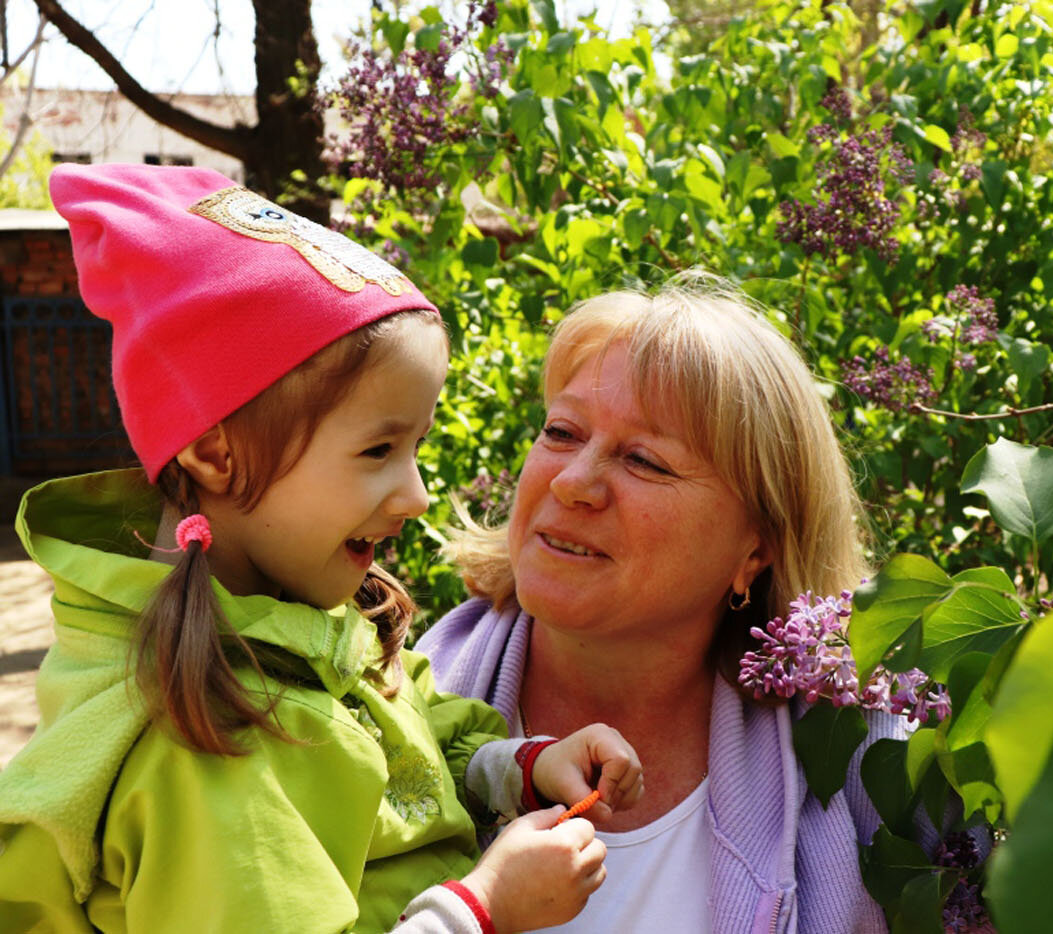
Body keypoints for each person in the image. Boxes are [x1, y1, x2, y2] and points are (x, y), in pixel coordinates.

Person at [0, 163, 642, 934]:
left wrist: (517, 767)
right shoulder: (207, 753)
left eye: (416, 448)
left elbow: (404, 746)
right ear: (215, 453)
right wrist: (483, 908)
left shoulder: (284, 619)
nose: (417, 496)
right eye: (378, 450)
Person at [418, 275, 911, 933]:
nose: (572, 482)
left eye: (645, 461)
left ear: (754, 549)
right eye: (562, 431)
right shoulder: (388, 703)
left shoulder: (861, 749)